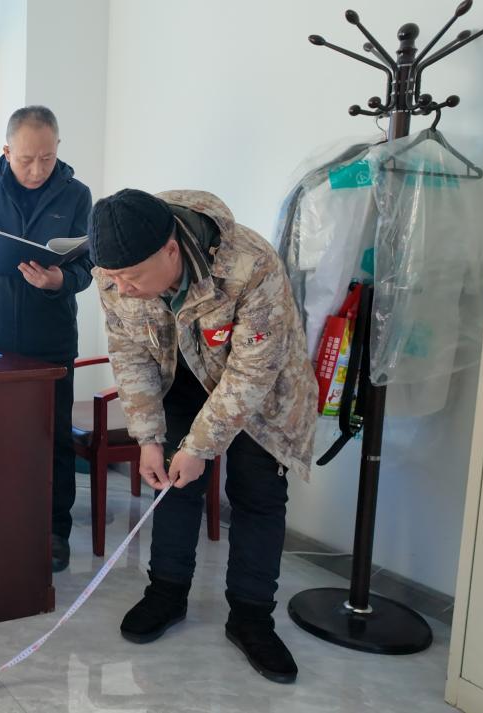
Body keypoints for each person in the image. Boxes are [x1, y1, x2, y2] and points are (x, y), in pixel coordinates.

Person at [88, 188, 318, 683]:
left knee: (258, 494)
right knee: (172, 485)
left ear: (171, 250)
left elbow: (252, 372)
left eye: (131, 277)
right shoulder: (113, 272)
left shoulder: (250, 264)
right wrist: (148, 437)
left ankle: (252, 617)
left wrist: (200, 447)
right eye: (113, 277)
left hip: (260, 391)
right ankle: (166, 593)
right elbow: (130, 356)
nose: (121, 288)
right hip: (179, 378)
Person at [0, 106, 93, 573]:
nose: (36, 170)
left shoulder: (76, 195)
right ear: (7, 151)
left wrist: (60, 281)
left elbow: (88, 264)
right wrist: (1, 256)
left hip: (52, 338)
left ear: (57, 149)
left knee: (53, 439)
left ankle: (54, 532)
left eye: (47, 158)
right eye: (27, 159)